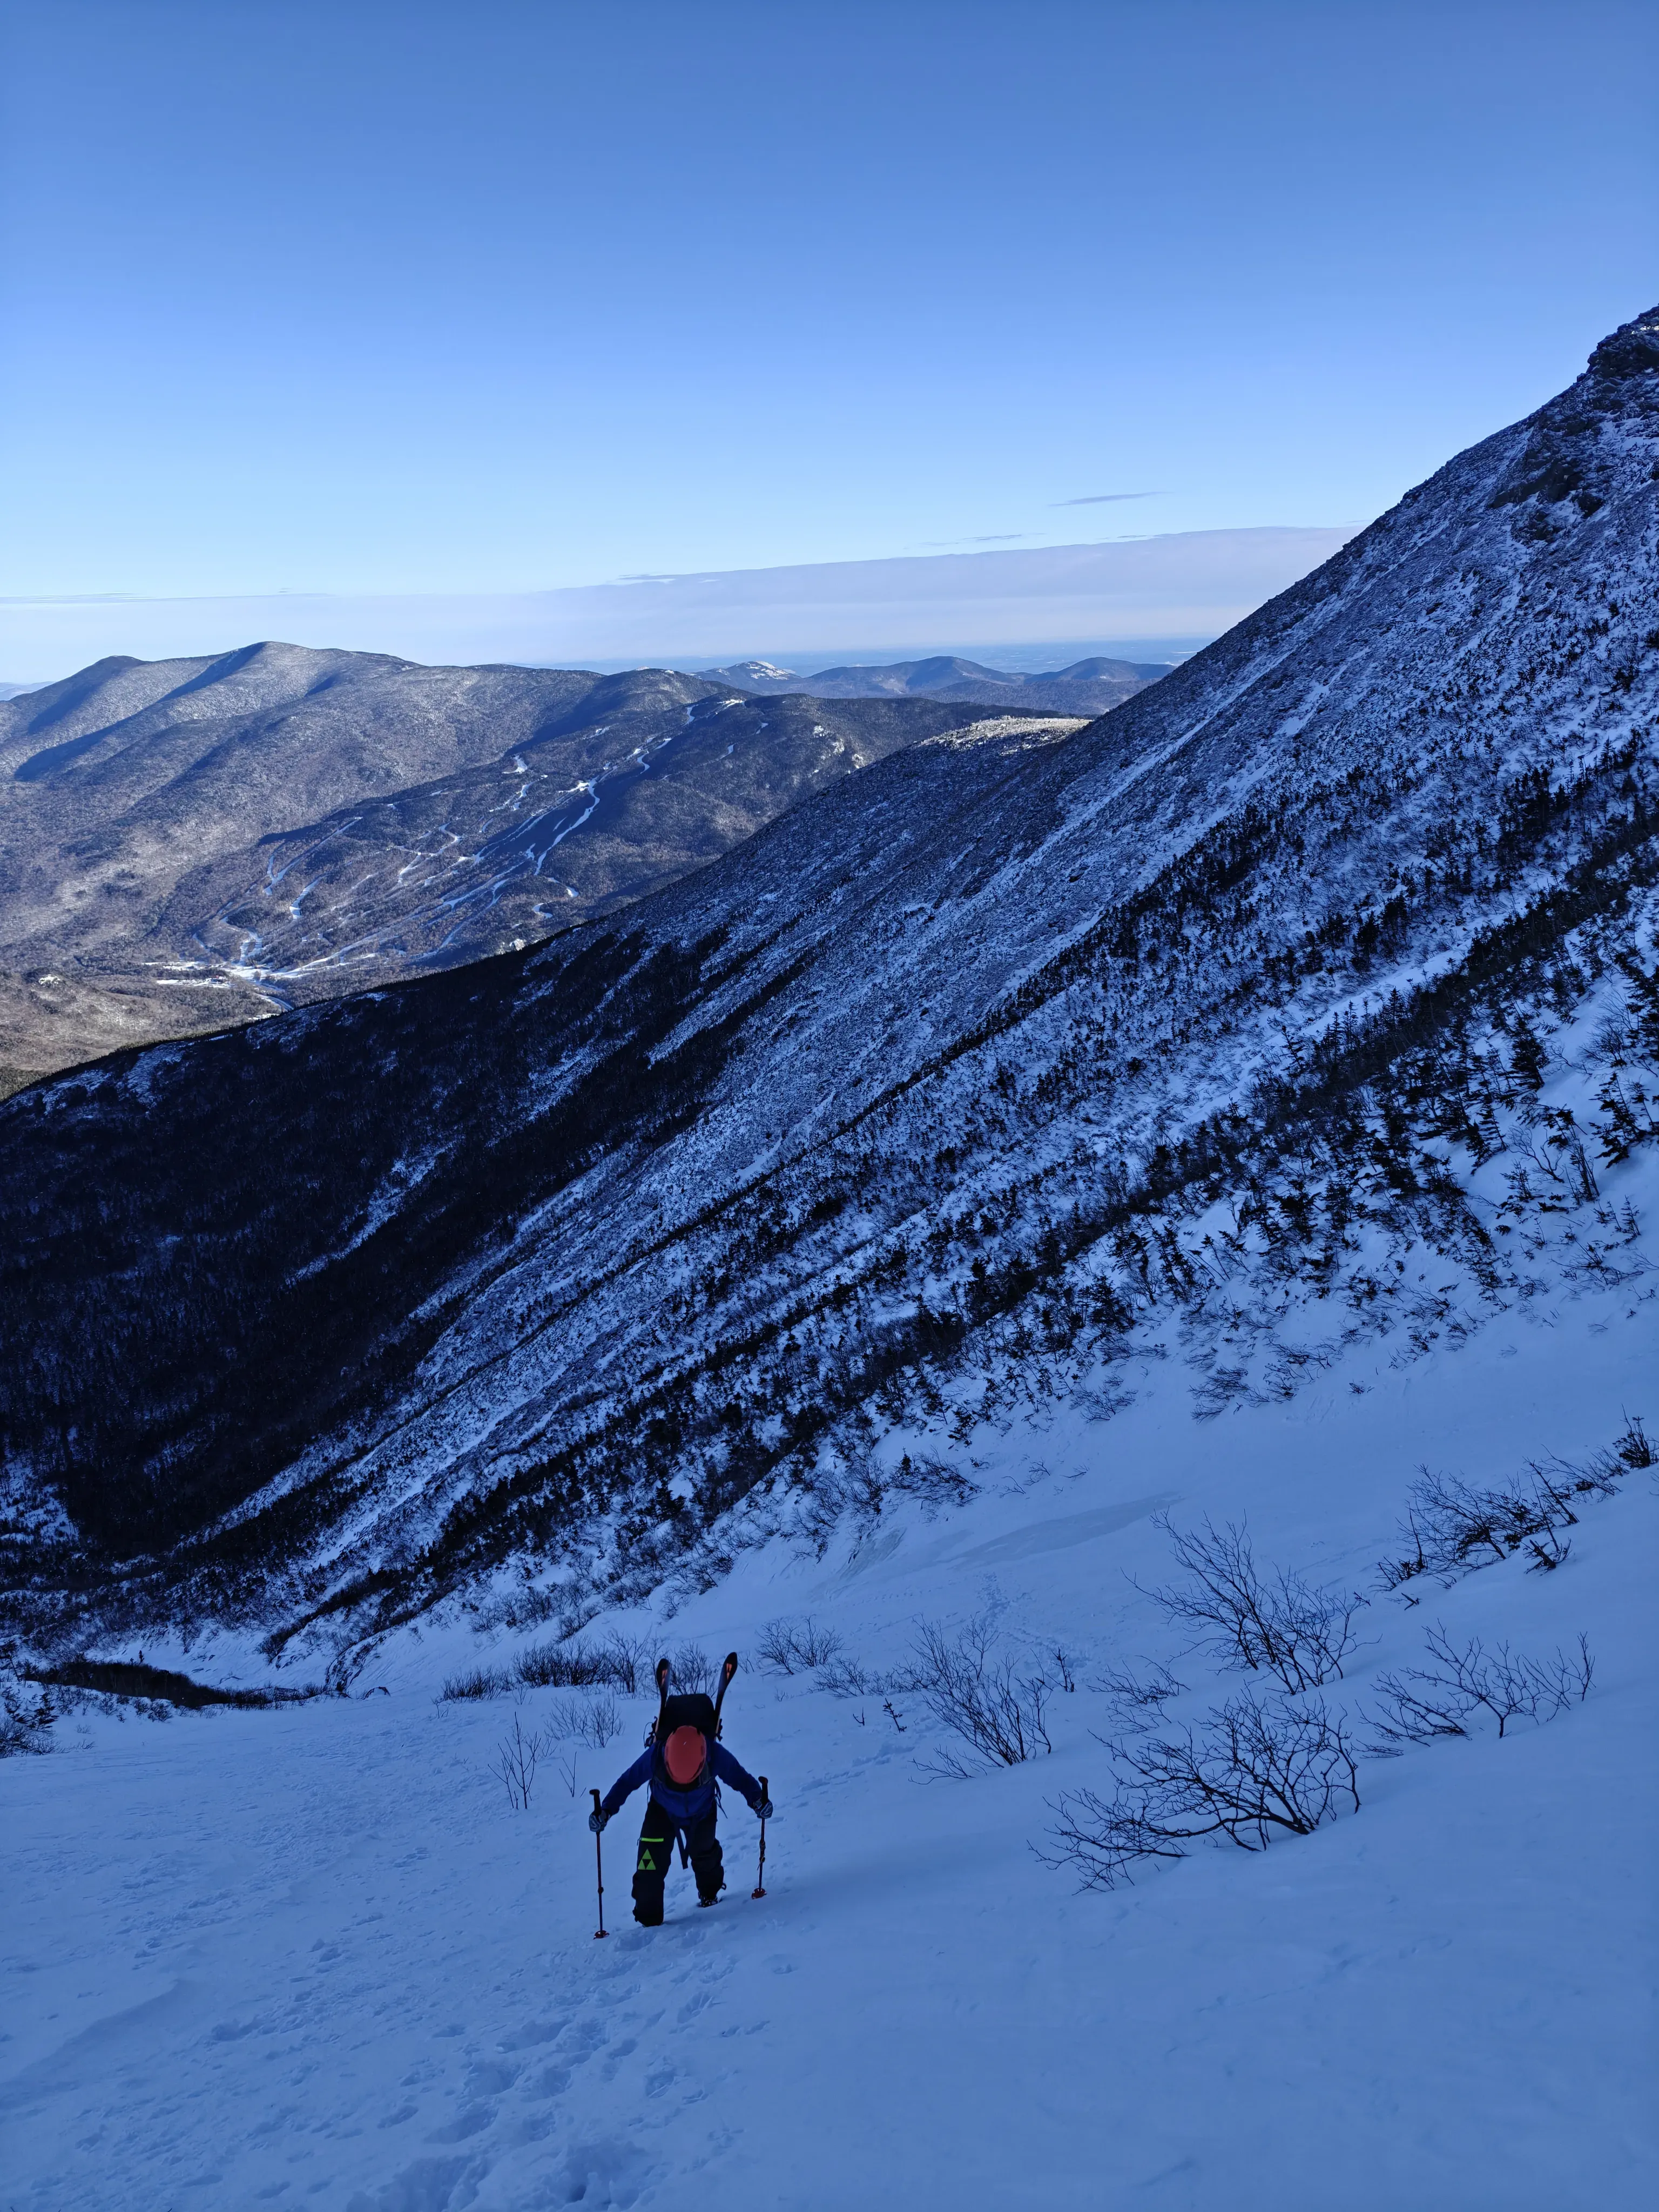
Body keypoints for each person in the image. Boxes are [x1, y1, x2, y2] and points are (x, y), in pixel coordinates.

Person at [589, 1689, 772, 1924]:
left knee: (705, 1858)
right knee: (649, 1874)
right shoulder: (655, 1755)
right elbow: (627, 1782)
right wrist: (605, 1811)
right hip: (662, 1812)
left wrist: (758, 1800)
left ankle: (710, 1895)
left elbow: (740, 1779)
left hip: (703, 1812)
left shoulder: (715, 1754)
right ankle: (649, 1920)